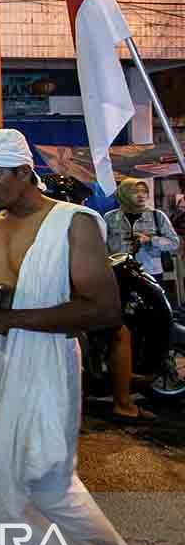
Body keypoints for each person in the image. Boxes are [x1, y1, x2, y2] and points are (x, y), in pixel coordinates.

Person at [0, 128, 150, 545]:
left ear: (25, 173)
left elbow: (103, 309)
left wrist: (9, 318)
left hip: (42, 364)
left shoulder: (73, 223)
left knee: (46, 479)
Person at [103, 177, 178, 424]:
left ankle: (162, 369)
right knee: (124, 328)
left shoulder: (157, 217)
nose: (141, 196)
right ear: (124, 194)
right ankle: (126, 374)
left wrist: (151, 240)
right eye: (136, 191)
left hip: (149, 277)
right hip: (120, 279)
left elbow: (174, 243)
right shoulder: (110, 218)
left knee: (157, 326)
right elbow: (101, 248)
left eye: (144, 192)